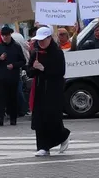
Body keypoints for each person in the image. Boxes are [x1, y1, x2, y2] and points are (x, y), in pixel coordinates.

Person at [27, 26, 70, 157]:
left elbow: (60, 72)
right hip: (39, 90)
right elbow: (29, 72)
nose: (40, 43)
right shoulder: (35, 53)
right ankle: (43, 147)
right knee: (39, 119)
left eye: (43, 40)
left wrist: (44, 68)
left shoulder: (57, 53)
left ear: (49, 38)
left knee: (53, 118)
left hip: (54, 90)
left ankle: (63, 135)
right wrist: (34, 69)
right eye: (38, 40)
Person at [0, 25, 27, 126]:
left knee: (12, 98)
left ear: (10, 35)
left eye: (6, 35)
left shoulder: (16, 46)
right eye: (3, 35)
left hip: (13, 77)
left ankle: (13, 118)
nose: (5, 37)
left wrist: (14, 65)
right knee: (1, 98)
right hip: (1, 77)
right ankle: (0, 117)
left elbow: (23, 61)